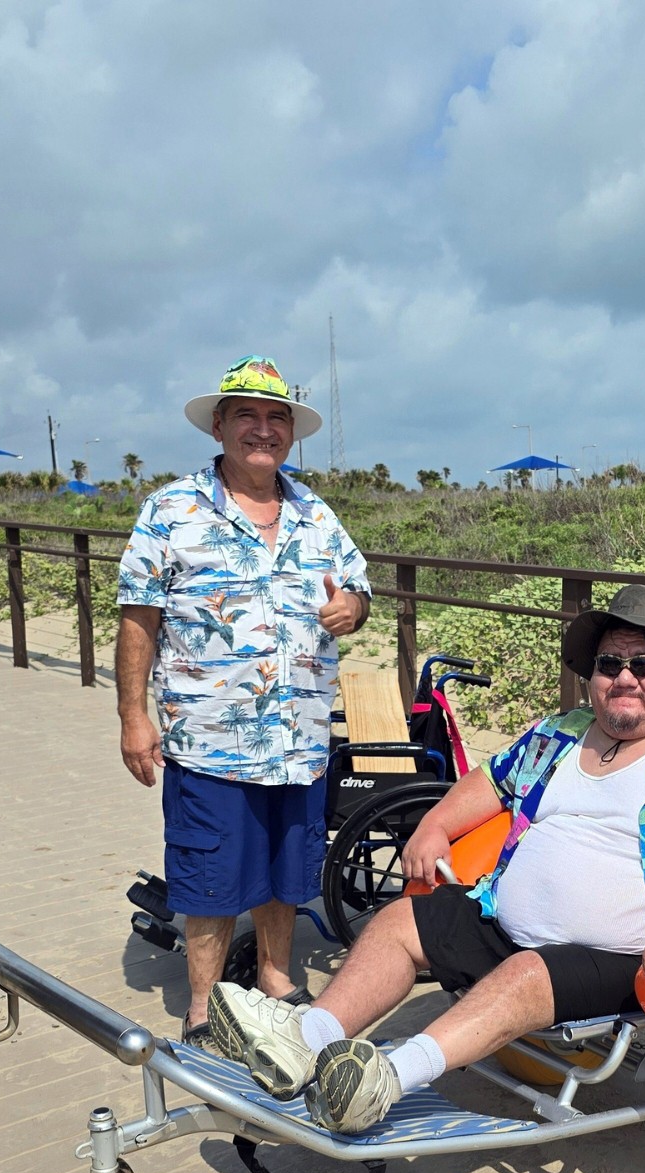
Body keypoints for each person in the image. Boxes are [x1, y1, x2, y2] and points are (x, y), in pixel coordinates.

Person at [206, 585, 645, 1133]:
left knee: (524, 975)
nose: (623, 678)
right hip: (502, 921)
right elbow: (491, 782)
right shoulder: (563, 732)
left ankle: (384, 1080)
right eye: (610, 663)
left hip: (624, 957)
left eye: (644, 664)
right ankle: (304, 1040)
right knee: (399, 923)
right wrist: (434, 825)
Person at [116, 354, 371, 1047]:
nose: (263, 429)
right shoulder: (170, 510)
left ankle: (275, 979)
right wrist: (133, 715)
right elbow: (138, 616)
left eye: (276, 417)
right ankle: (203, 1007)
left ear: (290, 430)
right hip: (209, 736)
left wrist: (354, 606)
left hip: (300, 735)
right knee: (208, 870)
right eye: (248, 416)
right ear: (221, 425)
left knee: (288, 871)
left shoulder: (316, 512)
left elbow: (358, 590)